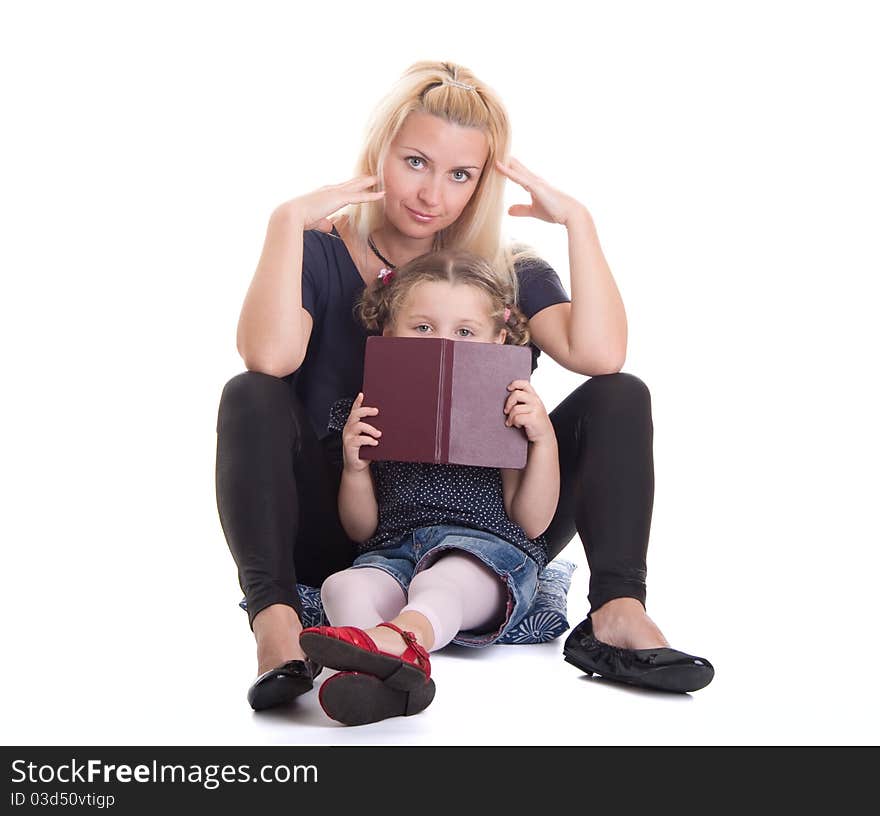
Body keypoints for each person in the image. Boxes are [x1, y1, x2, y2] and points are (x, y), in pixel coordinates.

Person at [215, 60, 713, 712]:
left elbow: (601, 353)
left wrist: (580, 224)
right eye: (415, 162)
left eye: (459, 174)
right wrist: (286, 223)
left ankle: (618, 612)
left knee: (622, 393)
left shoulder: (501, 273)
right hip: (350, 513)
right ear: (379, 155)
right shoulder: (317, 251)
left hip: (485, 519)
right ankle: (278, 628)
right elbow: (268, 355)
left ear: (480, 181)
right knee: (249, 391)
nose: (432, 194)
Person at [298, 249, 559, 725]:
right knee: (342, 585)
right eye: (422, 328)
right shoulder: (362, 412)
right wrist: (356, 469)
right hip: (392, 553)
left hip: (483, 555)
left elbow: (533, 520)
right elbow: (360, 530)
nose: (443, 342)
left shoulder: (507, 409)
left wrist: (542, 440)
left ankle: (403, 640)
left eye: (464, 332)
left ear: (497, 340)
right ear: (386, 333)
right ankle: (379, 680)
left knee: (441, 580)